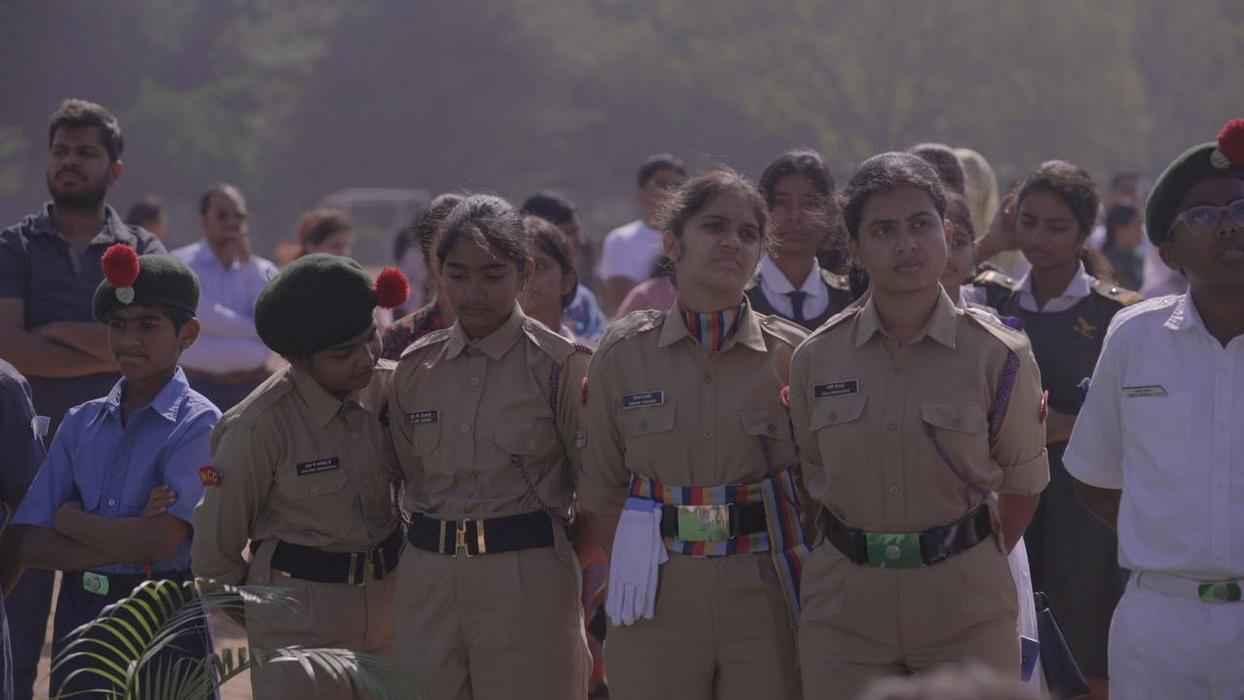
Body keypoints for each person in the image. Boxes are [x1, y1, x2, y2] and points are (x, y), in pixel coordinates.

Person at [790, 152, 1048, 698]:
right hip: (846, 607)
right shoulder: (816, 357)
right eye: (883, 230)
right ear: (855, 247)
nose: (906, 244)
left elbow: (1022, 488)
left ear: (947, 232)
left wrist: (953, 556)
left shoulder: (1000, 355)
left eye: (920, 224)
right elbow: (814, 482)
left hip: (965, 604)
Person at [579, 169, 809, 700]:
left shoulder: (795, 356)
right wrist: (631, 566)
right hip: (656, 586)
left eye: (748, 233)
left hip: (766, 589)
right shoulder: (623, 354)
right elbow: (601, 487)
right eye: (714, 226)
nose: (732, 242)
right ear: (672, 242)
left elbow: (819, 487)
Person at [1065, 118, 1244, 699]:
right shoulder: (1134, 337)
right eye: (1204, 215)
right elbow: (1095, 480)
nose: (1230, 224)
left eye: (1242, 207)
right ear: (1168, 250)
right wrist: (1173, 539)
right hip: (1161, 621)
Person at [388, 194, 592, 699]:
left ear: (524, 273)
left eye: (493, 275)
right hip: (430, 580)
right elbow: (409, 473)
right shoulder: (414, 368)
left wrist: (562, 571)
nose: (473, 292)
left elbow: (595, 485)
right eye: (457, 275)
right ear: (437, 274)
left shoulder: (560, 366)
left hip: (528, 579)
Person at [0, 98, 165, 700]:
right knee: (14, 645)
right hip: (23, 465)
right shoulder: (13, 246)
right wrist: (109, 341)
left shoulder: (142, 251)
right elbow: (9, 350)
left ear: (114, 169)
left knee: (101, 655)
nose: (70, 162)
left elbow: (153, 348)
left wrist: (52, 332)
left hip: (117, 473)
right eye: (61, 151)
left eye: (86, 152)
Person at [0, 245, 217, 698]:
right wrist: (131, 536)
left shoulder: (199, 423)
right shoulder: (80, 422)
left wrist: (72, 520)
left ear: (188, 333)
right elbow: (30, 543)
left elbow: (163, 540)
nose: (129, 339)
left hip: (162, 615)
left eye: (148, 325)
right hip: (83, 614)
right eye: (118, 325)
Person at [192, 255, 410, 699]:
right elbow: (214, 557)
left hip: (391, 615)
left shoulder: (393, 389)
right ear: (299, 360)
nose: (366, 358)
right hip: (299, 632)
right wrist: (272, 621)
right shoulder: (257, 428)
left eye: (370, 338)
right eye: (342, 354)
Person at [986, 160, 1141, 699]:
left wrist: (1064, 426)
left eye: (1057, 227)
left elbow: (1139, 417)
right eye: (1027, 223)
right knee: (1010, 646)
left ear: (1083, 232)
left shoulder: (1118, 313)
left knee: (1086, 645)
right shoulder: (989, 302)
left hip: (1084, 504)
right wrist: (992, 241)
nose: (1039, 239)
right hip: (1007, 501)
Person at [172, 184, 277, 412]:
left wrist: (248, 265)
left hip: (253, 388)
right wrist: (258, 331)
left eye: (239, 216)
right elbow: (203, 317)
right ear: (204, 221)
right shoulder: (181, 265)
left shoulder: (262, 270)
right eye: (222, 215)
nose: (232, 222)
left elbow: (273, 320)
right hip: (194, 389)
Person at [746, 149, 854, 330]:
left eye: (809, 203)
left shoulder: (851, 299)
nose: (795, 216)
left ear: (830, 213)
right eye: (781, 202)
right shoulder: (739, 297)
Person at [598, 154, 687, 314]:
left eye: (677, 186)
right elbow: (621, 304)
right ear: (642, 192)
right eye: (661, 184)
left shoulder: (692, 239)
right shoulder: (621, 240)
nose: (670, 192)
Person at [380, 193, 462, 360]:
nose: (458, 256)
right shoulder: (401, 339)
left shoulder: (503, 334)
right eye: (445, 246)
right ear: (426, 256)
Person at [521, 191, 608, 343]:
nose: (578, 241)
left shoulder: (584, 300)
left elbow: (599, 345)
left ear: (567, 282)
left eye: (540, 266)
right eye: (568, 233)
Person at [520, 215, 583, 342]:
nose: (527, 275)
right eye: (519, 266)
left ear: (566, 282)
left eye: (540, 266)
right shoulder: (481, 352)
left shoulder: (584, 354)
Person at [1102, 205, 1145, 292]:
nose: (1141, 232)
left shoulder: (1137, 259)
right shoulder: (1103, 263)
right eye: (1136, 226)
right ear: (1120, 230)